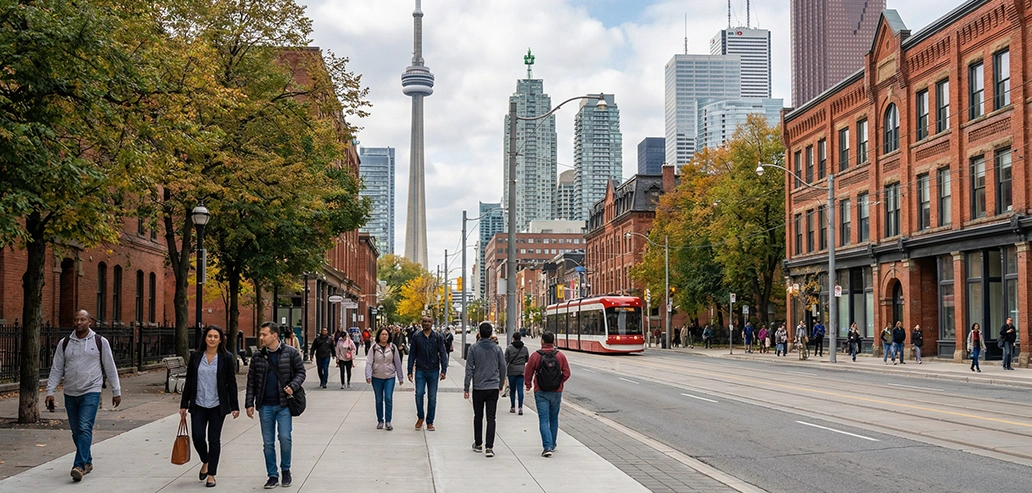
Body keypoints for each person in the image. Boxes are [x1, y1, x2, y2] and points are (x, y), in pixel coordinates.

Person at [45, 310, 122, 482]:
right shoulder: (65, 343)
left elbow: (110, 367)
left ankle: (78, 465)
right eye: (76, 319)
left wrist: (116, 391)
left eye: (83, 319)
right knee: (75, 431)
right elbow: (57, 368)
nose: (79, 322)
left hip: (91, 391)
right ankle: (87, 461)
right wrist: (50, 391)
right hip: (70, 392)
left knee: (84, 427)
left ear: (90, 322)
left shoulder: (100, 342)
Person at [245, 322, 306, 489]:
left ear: (274, 335)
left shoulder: (291, 353)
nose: (261, 337)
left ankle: (286, 470)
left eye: (264, 334)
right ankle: (272, 474)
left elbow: (301, 372)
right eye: (261, 334)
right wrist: (249, 403)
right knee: (268, 442)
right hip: (265, 405)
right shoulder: (258, 356)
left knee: (285, 438)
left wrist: (292, 386)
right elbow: (251, 381)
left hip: (284, 404)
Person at [180, 326, 240, 488]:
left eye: (216, 336)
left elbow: (231, 383)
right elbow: (190, 381)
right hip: (198, 404)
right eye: (209, 336)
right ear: (205, 338)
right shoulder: (195, 356)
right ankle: (205, 461)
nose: (212, 339)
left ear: (221, 339)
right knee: (198, 437)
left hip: (217, 405)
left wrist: (235, 406)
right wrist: (184, 405)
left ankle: (211, 474)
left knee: (214, 440)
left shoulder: (226, 357)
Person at [464, 322, 507, 458]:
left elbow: (469, 368)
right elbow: (503, 367)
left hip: (478, 387)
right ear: (491, 333)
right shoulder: (497, 349)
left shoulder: (473, 348)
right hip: (493, 387)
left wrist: (466, 387)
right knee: (491, 417)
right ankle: (489, 447)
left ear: (480, 333)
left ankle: (478, 443)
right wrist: (501, 383)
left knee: (478, 416)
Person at [525, 332, 571, 457]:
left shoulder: (535, 356)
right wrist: (559, 382)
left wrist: (528, 384)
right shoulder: (560, 356)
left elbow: (528, 371)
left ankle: (547, 446)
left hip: (541, 391)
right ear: (554, 341)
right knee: (554, 418)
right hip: (556, 391)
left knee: (543, 419)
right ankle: (553, 443)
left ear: (542, 341)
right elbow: (567, 373)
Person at [408, 315, 449, 431]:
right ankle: (420, 417)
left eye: (428, 322)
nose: (426, 323)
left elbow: (442, 353)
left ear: (432, 323)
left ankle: (430, 421)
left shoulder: (437, 337)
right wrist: (409, 370)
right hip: (420, 370)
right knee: (419, 394)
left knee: (432, 397)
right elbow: (412, 354)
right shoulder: (416, 337)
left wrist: (444, 370)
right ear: (421, 323)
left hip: (433, 370)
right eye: (424, 321)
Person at [365, 328, 405, 430]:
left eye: (386, 334)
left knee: (388, 398)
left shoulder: (392, 348)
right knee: (379, 400)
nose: (384, 336)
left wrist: (400, 377)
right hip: (377, 377)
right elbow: (369, 362)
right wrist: (368, 375)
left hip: (389, 377)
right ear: (379, 336)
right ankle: (380, 420)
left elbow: (397, 363)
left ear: (388, 336)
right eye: (382, 334)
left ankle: (388, 421)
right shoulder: (374, 348)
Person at [504, 332, 530, 415]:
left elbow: (505, 360)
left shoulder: (509, 348)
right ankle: (520, 407)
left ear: (513, 338)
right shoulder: (525, 349)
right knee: (520, 389)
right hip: (521, 371)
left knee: (512, 390)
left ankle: (512, 407)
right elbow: (527, 359)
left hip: (511, 371)